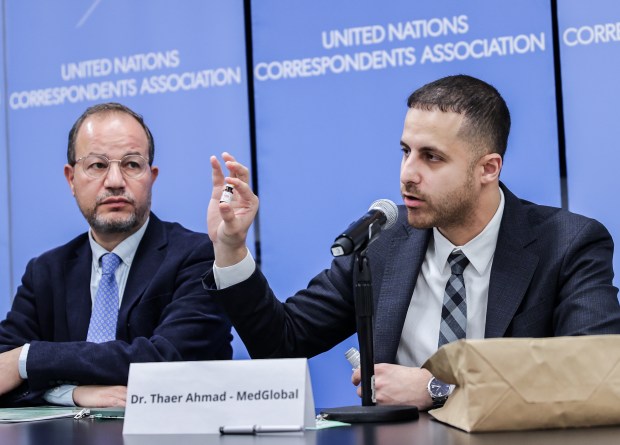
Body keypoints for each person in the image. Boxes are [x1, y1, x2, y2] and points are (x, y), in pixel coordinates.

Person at [204, 75, 620, 410]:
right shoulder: (383, 241)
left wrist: (441, 388)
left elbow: (593, 376)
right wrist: (231, 247)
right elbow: (283, 343)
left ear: (488, 168)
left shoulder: (567, 244)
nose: (407, 173)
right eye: (405, 151)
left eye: (431, 157)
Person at [0, 102, 232, 408]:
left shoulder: (198, 256)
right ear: (71, 179)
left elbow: (168, 360)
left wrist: (30, 357)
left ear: (152, 177)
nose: (114, 181)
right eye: (97, 165)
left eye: (132, 164)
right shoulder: (45, 271)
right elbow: (3, 369)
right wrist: (70, 393)